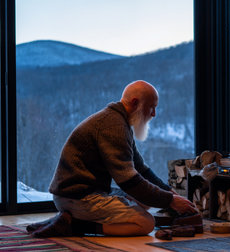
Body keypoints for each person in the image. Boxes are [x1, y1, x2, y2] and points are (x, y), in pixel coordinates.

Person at [28, 80, 197, 237]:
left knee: (145, 202)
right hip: (77, 198)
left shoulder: (119, 121)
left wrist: (168, 192)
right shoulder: (113, 126)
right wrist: (170, 201)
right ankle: (75, 225)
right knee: (146, 223)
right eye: (151, 107)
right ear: (135, 103)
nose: (154, 114)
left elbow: (140, 168)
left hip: (81, 193)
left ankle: (66, 218)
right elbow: (129, 181)